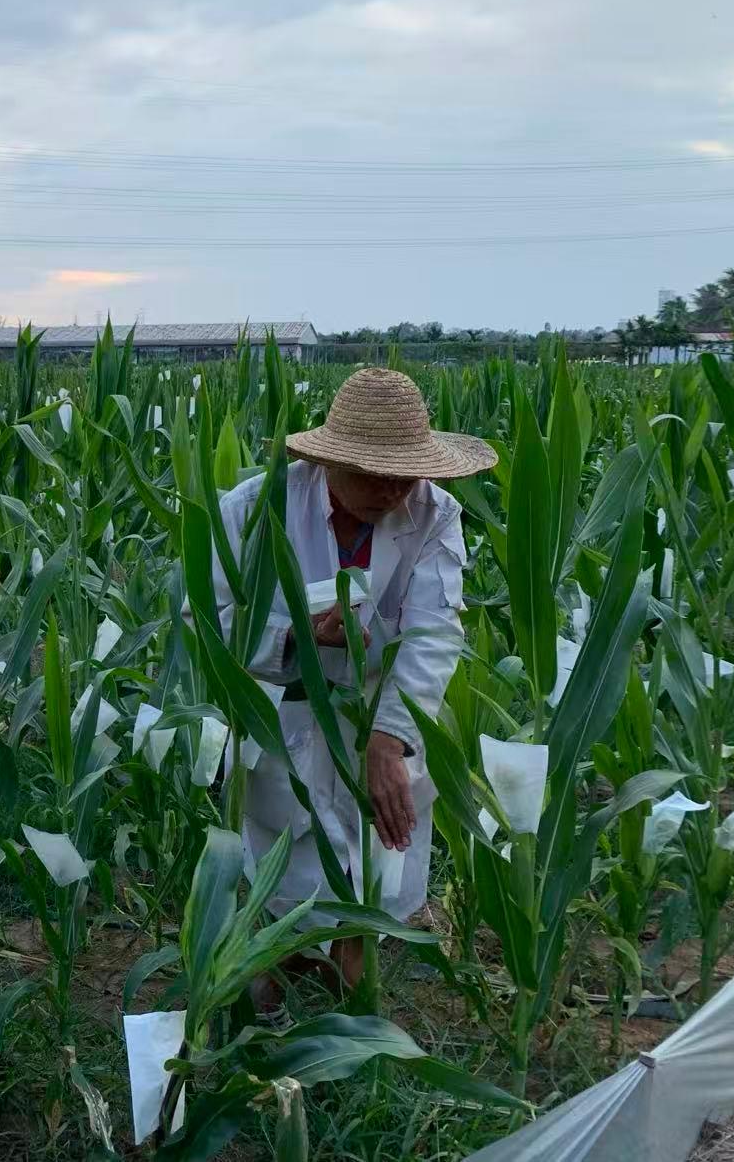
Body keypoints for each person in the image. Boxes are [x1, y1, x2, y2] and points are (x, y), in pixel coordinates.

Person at [211, 367, 494, 997]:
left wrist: (389, 737)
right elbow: (208, 622)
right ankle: (270, 1012)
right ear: (329, 460)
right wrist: (297, 636)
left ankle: (351, 1022)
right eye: (373, 473)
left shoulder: (434, 514)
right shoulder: (254, 509)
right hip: (284, 718)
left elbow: (433, 633)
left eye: (405, 474)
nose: (391, 491)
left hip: (386, 709)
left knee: (370, 879)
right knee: (282, 884)